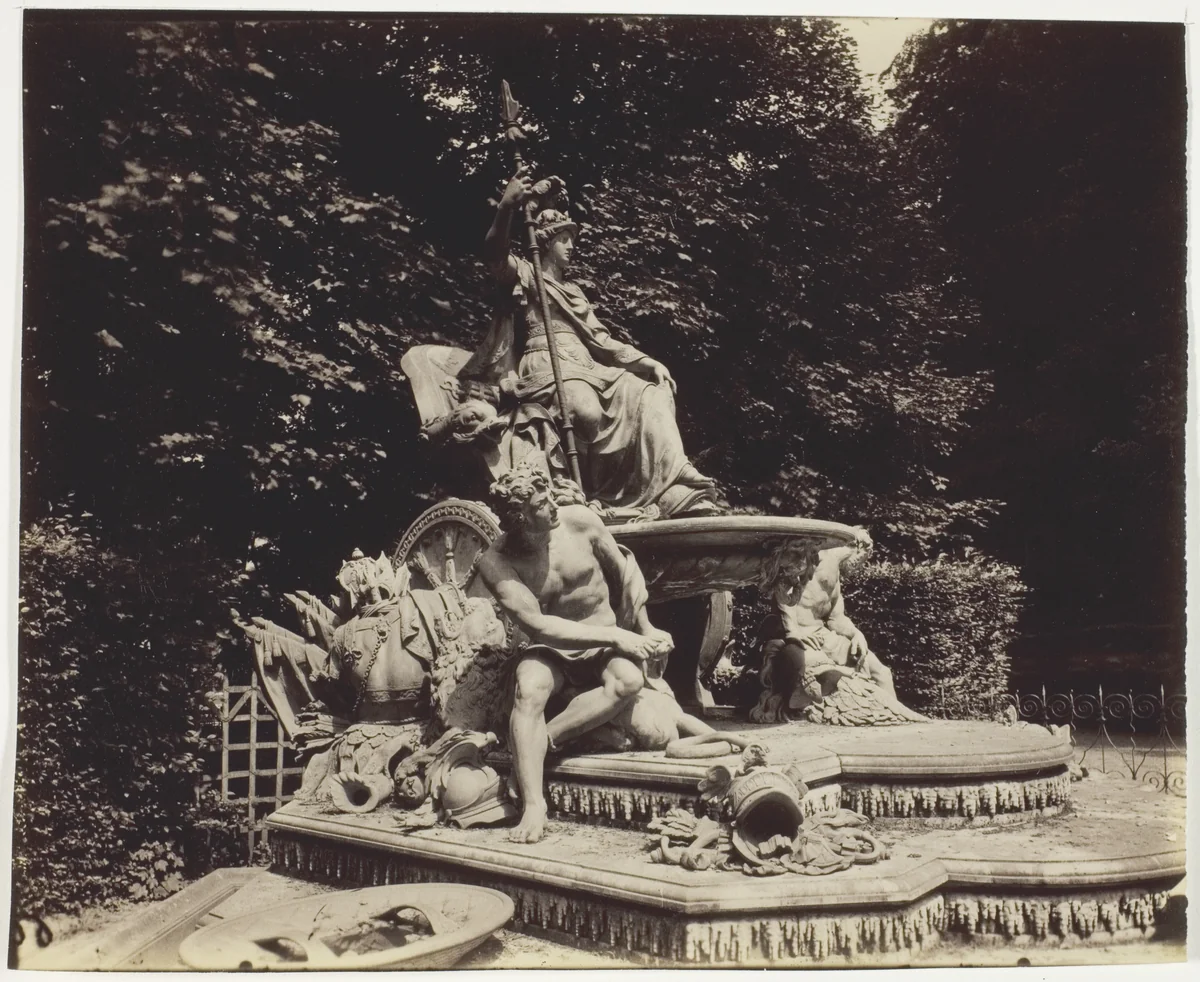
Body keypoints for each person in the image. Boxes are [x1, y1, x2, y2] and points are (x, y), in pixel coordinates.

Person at [462, 164, 719, 519]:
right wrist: (506, 206)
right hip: (546, 364)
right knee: (585, 411)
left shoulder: (574, 292)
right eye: (564, 239)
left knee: (651, 393)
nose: (572, 247)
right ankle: (593, 494)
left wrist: (647, 362)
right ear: (546, 242)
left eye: (573, 239)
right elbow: (494, 253)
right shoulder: (526, 274)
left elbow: (601, 339)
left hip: (587, 365)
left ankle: (675, 480)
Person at [476, 460, 675, 843]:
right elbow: (538, 625)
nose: (554, 506)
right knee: (529, 689)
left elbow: (626, 575)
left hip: (603, 640)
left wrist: (645, 629)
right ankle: (534, 806)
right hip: (551, 647)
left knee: (628, 680)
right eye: (541, 504)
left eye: (550, 496)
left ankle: (541, 743)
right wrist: (616, 638)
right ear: (519, 518)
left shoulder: (581, 523)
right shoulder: (496, 562)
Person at [750, 531, 897, 723]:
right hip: (795, 637)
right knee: (820, 674)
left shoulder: (833, 569)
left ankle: (898, 723)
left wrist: (856, 634)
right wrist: (794, 633)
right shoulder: (806, 555)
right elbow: (784, 594)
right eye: (861, 559)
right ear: (856, 548)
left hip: (823, 636)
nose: (858, 567)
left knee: (882, 673)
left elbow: (836, 618)